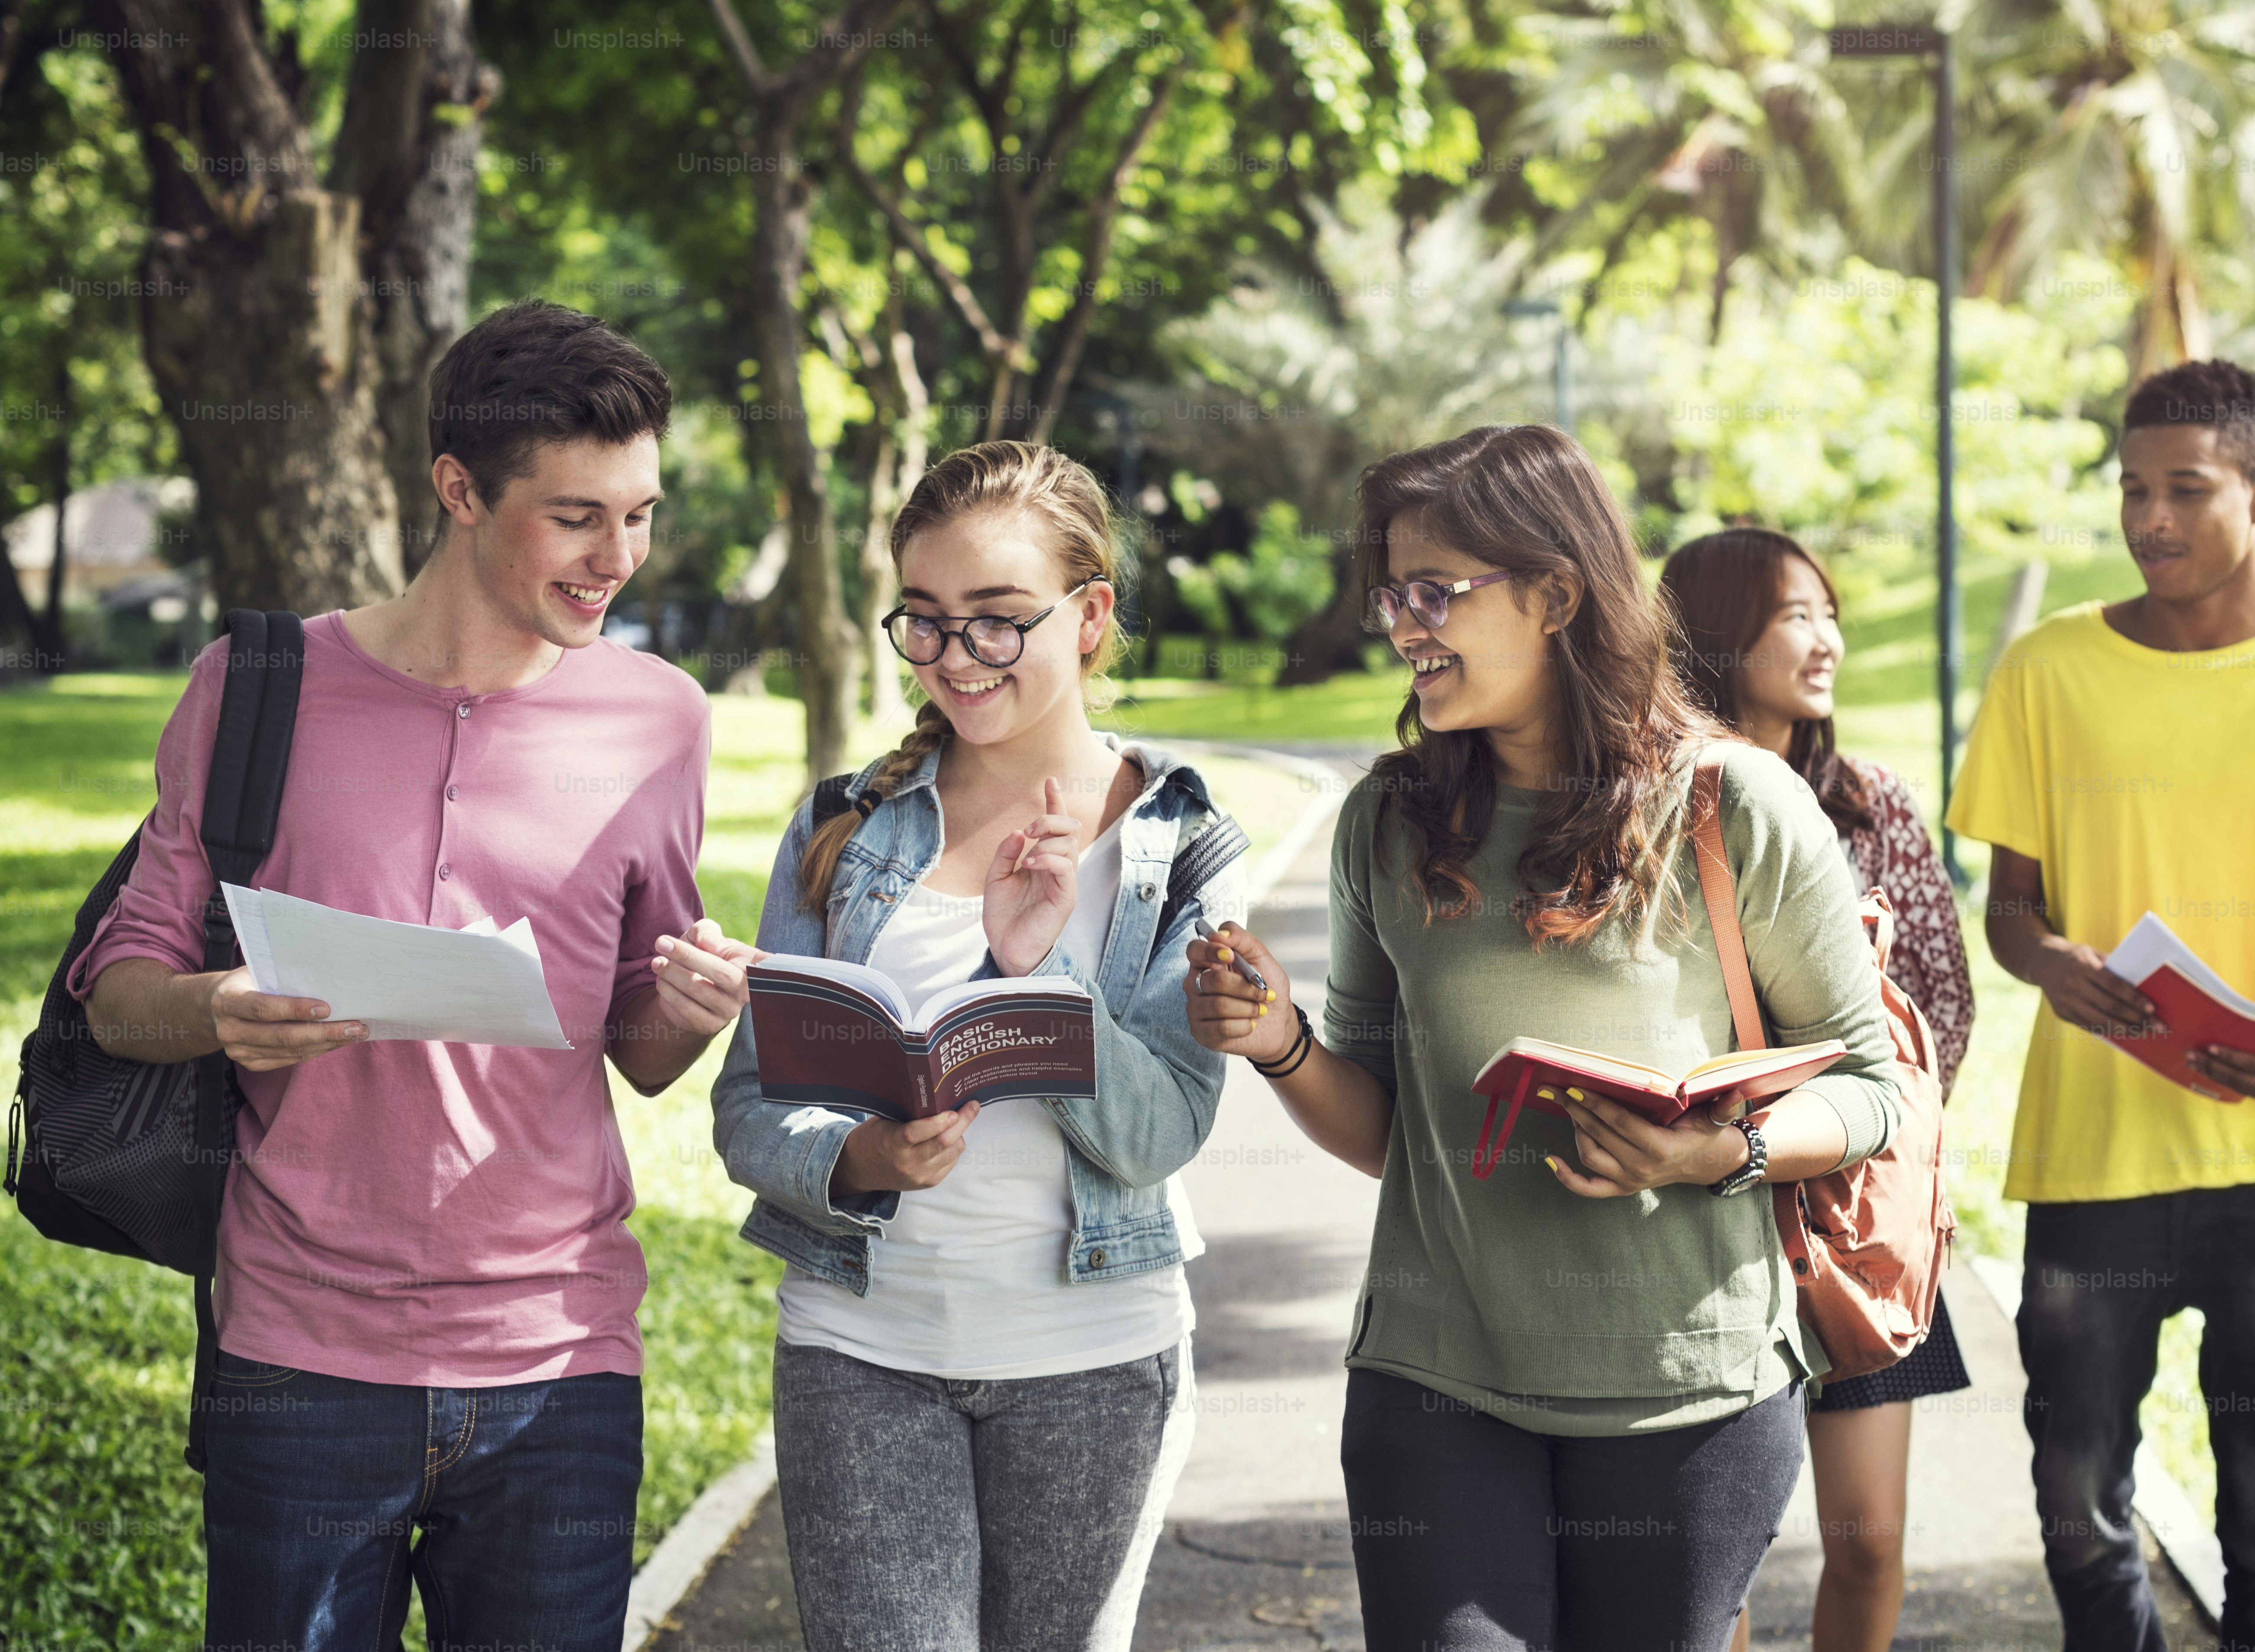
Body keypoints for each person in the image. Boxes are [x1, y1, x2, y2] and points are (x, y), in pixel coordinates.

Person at [71, 300, 753, 1649]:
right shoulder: (254, 684)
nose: (617, 556)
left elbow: (639, 1044)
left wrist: (687, 1008)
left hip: (562, 1366)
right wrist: (215, 1010)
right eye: (576, 515)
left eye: (642, 512)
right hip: (298, 1355)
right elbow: (118, 983)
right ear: (458, 488)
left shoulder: (660, 717)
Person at [1183, 423, 1905, 1652]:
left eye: (1434, 591)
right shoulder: (1388, 822)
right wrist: (1283, 1041)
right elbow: (1386, 1130)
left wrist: (1711, 1155)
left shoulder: (1740, 808)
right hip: (1437, 1382)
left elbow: (1872, 1089)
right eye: (1389, 594)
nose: (1401, 623)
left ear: (1558, 594)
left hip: (1691, 1397)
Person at [708, 440, 1245, 1652]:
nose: (959, 660)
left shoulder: (1180, 842)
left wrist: (1037, 964)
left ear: (1091, 613)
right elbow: (750, 1107)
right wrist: (864, 1160)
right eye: (930, 623)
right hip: (862, 1349)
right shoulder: (844, 820)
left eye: (1000, 622)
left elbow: (1160, 1131)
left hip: (1094, 1357)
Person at [1949, 359, 2255, 1652]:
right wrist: (2049, 962)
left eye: (2187, 489)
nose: (2149, 518)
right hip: (2094, 1154)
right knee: (2075, 1502)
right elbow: (2011, 910)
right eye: (2132, 490)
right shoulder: (2048, 672)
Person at [1660, 528, 1975, 1652]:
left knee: (1872, 1537)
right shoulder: (1650, 808)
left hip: (1853, 1211)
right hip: (1707, 1213)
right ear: (1717, 632)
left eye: (1829, 611)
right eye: (1796, 613)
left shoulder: (1872, 803)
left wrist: (1870, 1131)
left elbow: (1943, 1001)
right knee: (1718, 1554)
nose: (1826, 637)